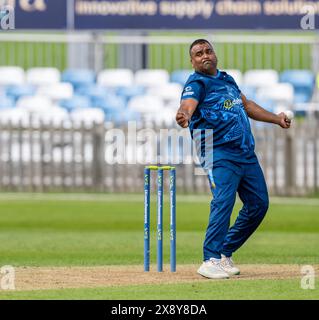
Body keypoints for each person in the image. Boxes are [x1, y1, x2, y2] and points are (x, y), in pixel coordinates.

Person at [175, 39, 291, 279]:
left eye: (208, 51)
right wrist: (184, 114)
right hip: (219, 153)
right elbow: (187, 105)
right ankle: (210, 259)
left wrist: (276, 119)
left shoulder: (227, 79)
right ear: (192, 61)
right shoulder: (197, 82)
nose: (205, 55)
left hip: (245, 153)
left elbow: (246, 106)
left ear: (215, 54)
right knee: (223, 202)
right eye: (198, 54)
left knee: (259, 205)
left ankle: (224, 252)